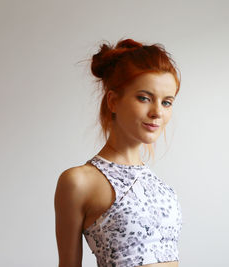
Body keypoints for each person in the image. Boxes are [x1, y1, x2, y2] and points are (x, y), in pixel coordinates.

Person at [54, 38, 183, 267]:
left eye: (167, 102)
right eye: (144, 98)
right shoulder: (78, 181)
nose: (157, 112)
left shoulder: (161, 187)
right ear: (113, 101)